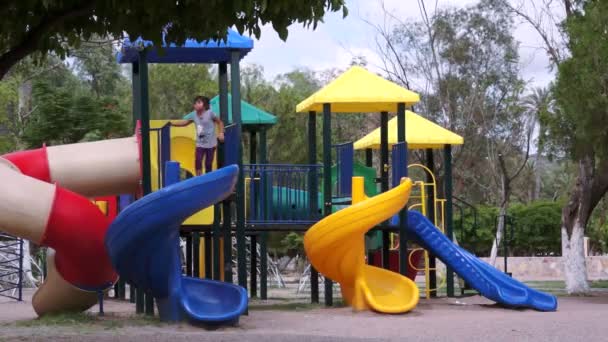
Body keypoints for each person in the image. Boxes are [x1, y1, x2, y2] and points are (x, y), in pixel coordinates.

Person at [172, 96, 225, 175]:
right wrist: (172, 124)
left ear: (204, 105)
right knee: (198, 161)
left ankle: (208, 178)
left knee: (208, 164)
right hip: (200, 143)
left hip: (211, 144)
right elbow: (184, 123)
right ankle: (198, 178)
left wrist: (221, 133)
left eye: (199, 102)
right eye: (195, 103)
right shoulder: (194, 115)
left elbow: (220, 122)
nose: (196, 104)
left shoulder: (210, 113)